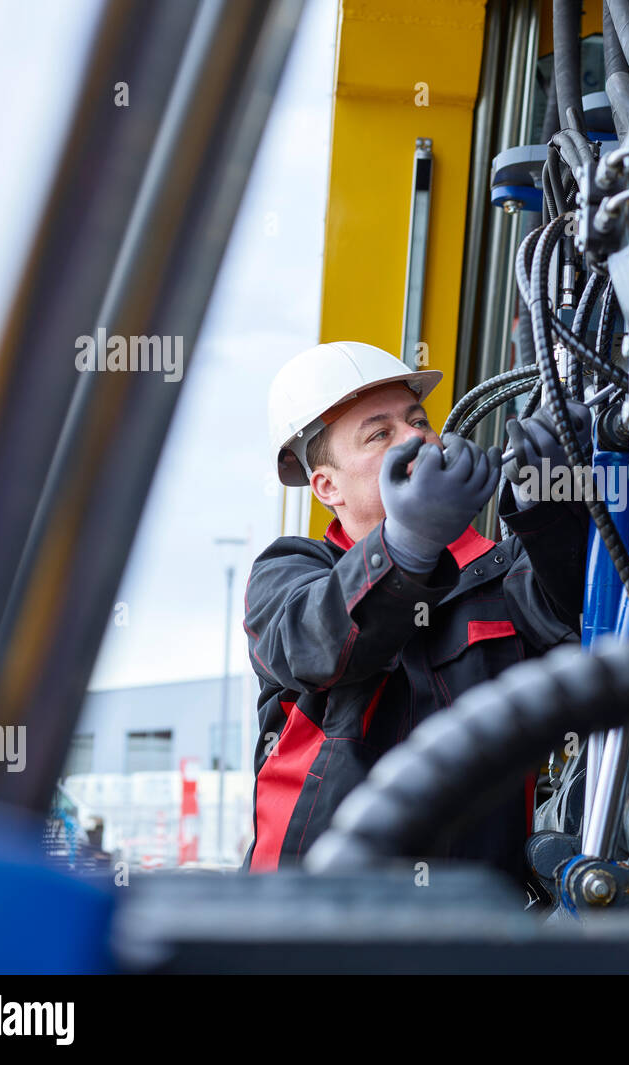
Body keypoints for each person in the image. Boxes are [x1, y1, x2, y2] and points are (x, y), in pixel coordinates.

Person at [242, 341, 588, 882]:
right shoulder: (290, 572)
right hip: (309, 923)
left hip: (471, 923)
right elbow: (314, 644)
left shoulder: (501, 572)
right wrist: (408, 544)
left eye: (418, 420)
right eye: (379, 434)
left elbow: (579, 626)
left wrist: (551, 506)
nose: (415, 438)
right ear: (327, 486)